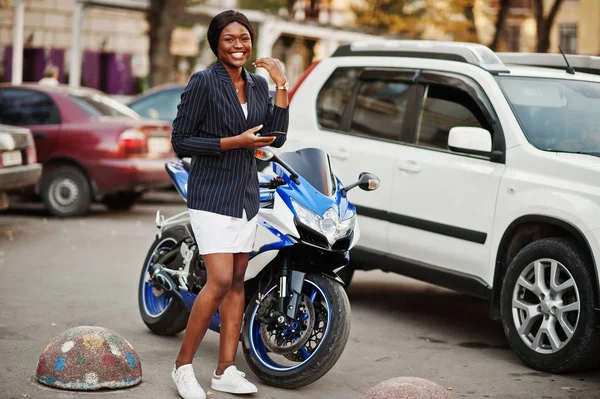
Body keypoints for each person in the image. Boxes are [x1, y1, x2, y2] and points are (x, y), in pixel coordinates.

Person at [169, 9, 289, 399]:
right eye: (229, 39)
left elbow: (276, 137)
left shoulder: (257, 84)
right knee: (219, 280)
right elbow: (181, 140)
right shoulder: (204, 82)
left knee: (238, 282)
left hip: (244, 196)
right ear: (216, 43)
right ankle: (183, 367)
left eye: (244, 38)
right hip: (210, 194)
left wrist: (281, 85)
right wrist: (231, 143)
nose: (238, 45)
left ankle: (225, 370)